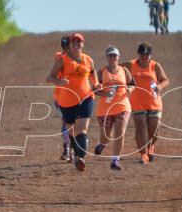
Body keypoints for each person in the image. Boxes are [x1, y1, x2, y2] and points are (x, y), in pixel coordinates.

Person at [46, 32, 101, 171]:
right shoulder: (62, 60)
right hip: (67, 101)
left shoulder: (88, 59)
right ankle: (76, 154)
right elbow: (50, 77)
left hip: (85, 97)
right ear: (69, 45)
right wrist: (60, 82)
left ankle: (80, 157)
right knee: (71, 131)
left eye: (79, 41)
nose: (77, 44)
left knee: (82, 129)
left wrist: (96, 83)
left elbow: (93, 71)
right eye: (74, 42)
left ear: (82, 44)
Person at [124, 42, 170, 164]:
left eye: (147, 54)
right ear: (138, 53)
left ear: (150, 54)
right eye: (142, 54)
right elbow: (117, 69)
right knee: (140, 127)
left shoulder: (155, 66)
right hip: (137, 101)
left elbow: (165, 80)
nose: (144, 57)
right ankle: (143, 154)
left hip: (154, 102)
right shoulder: (131, 64)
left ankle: (151, 146)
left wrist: (160, 86)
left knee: (154, 130)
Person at [93, 46, 134, 170]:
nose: (113, 58)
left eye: (115, 55)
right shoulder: (101, 72)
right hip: (105, 108)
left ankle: (115, 160)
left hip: (122, 105)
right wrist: (105, 93)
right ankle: (103, 143)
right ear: (107, 57)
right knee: (106, 135)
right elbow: (95, 90)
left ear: (118, 57)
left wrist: (129, 90)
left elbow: (132, 84)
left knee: (120, 132)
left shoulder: (124, 71)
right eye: (110, 55)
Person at [54, 35, 74, 162]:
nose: (67, 49)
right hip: (61, 96)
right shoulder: (59, 58)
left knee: (75, 124)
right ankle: (67, 149)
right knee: (66, 122)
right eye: (65, 47)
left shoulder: (80, 58)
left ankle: (72, 149)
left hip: (77, 95)